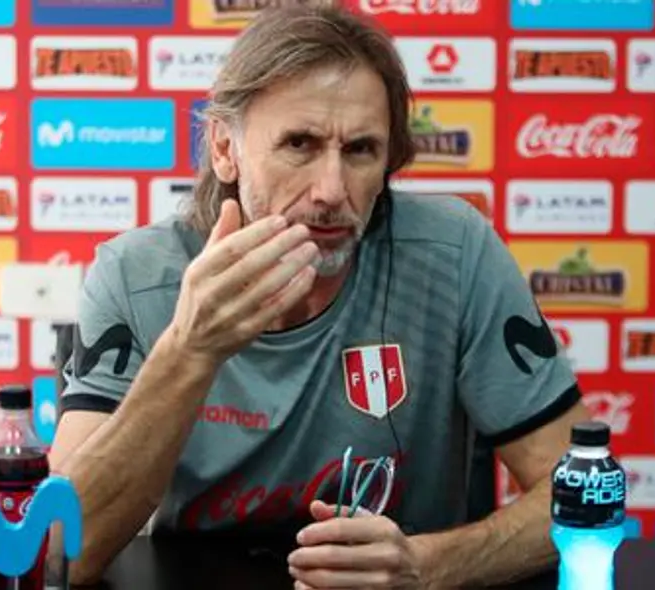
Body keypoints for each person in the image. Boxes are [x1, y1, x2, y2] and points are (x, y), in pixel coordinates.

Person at [48, 6, 592, 588]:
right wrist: (188, 349)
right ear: (225, 147)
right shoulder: (136, 274)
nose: (332, 192)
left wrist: (429, 567)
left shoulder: (455, 253)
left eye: (360, 150)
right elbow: (59, 555)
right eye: (299, 144)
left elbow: (585, 496)